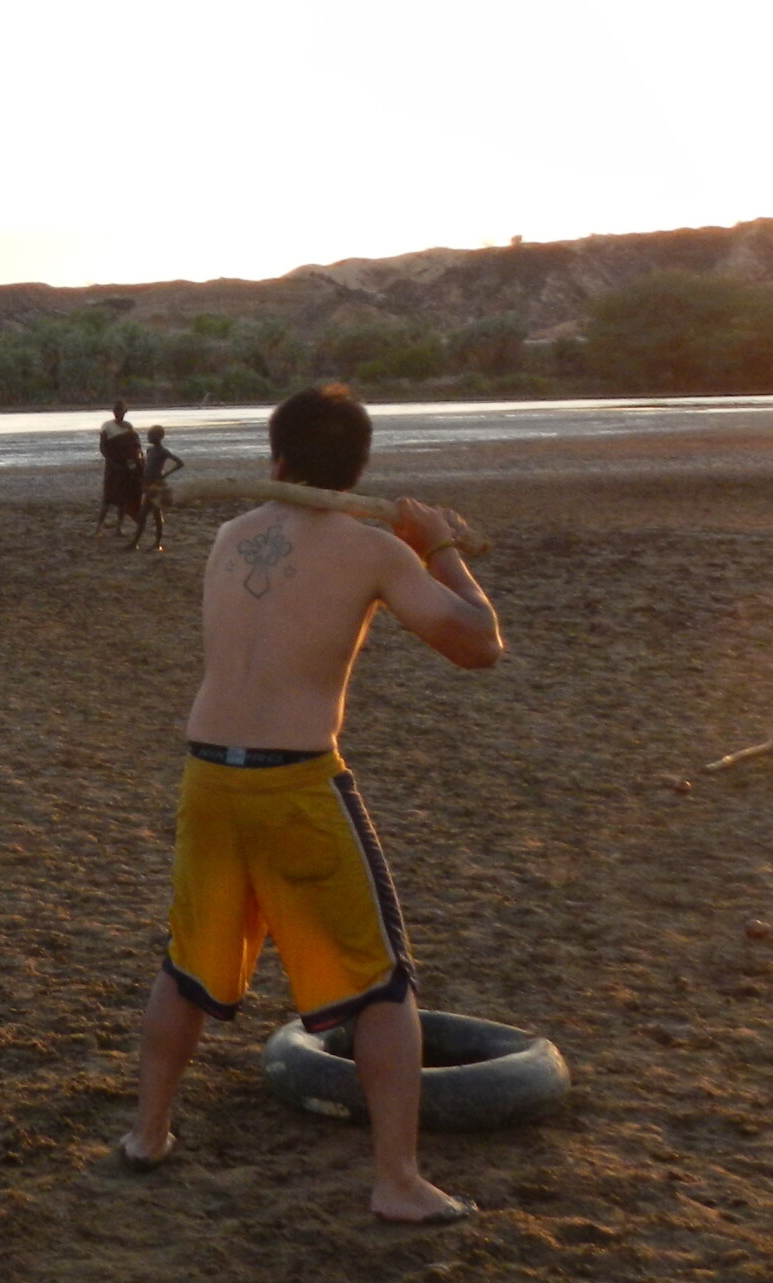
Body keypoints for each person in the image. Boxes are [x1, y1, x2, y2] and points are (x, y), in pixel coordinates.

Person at [121, 384, 500, 1227]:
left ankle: (148, 1134)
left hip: (208, 776)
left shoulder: (231, 534)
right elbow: (481, 644)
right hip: (292, 780)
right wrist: (439, 549)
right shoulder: (374, 549)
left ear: (278, 457)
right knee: (381, 985)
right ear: (358, 467)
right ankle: (397, 1180)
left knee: (186, 964)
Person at [127, 425, 185, 552]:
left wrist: (165, 474)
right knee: (146, 515)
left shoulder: (163, 451)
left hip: (157, 486)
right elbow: (147, 466)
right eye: (149, 434)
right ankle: (137, 543)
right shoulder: (150, 450)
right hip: (149, 485)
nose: (149, 437)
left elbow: (180, 463)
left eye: (151, 435)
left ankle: (154, 543)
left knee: (153, 515)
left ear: (159, 437)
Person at [96, 402, 143, 535]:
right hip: (113, 467)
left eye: (121, 411)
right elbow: (103, 448)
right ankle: (98, 528)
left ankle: (118, 528)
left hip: (127, 467)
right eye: (116, 411)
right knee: (107, 498)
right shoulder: (107, 426)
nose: (118, 413)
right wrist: (112, 463)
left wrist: (137, 462)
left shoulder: (128, 426)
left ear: (125, 412)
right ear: (113, 412)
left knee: (124, 499)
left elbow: (135, 445)